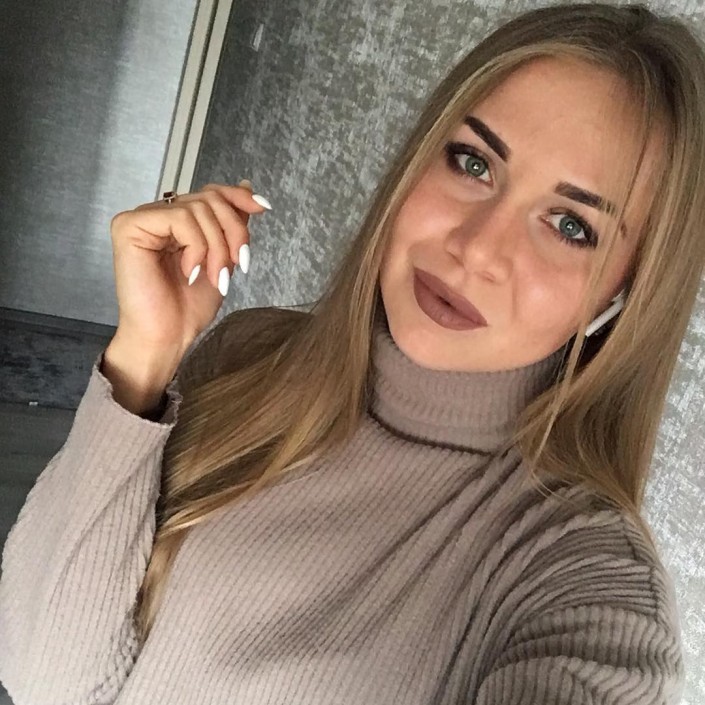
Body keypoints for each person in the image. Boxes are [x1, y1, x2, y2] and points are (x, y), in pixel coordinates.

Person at [1, 3, 703, 703]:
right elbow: (42, 676)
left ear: (626, 293)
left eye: (571, 226)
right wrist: (143, 358)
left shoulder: (583, 581)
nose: (475, 248)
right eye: (473, 163)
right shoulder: (249, 354)